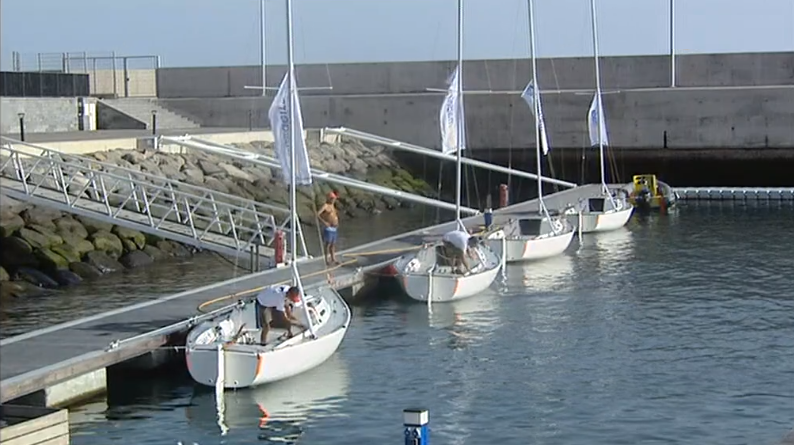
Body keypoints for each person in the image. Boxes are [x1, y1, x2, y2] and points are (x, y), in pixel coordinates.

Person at [317, 191, 340, 264]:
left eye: (334, 198)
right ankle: (326, 259)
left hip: (334, 227)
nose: (333, 200)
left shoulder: (333, 205)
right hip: (328, 227)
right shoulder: (325, 205)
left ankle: (333, 258)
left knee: (333, 244)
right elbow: (317, 214)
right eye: (332, 198)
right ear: (329, 198)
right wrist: (324, 222)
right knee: (328, 244)